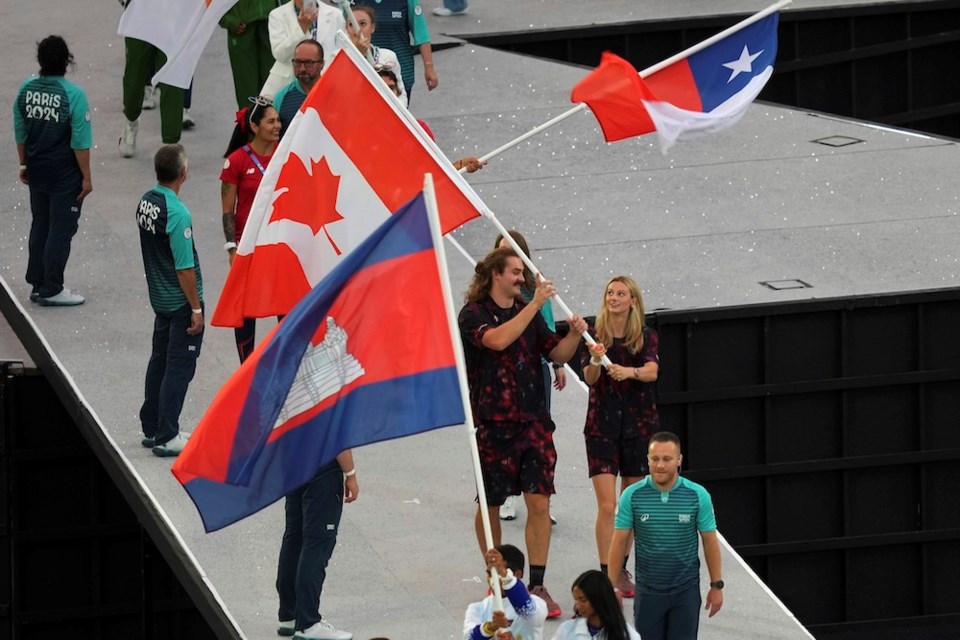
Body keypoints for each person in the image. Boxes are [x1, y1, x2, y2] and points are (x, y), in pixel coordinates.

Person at [459, 246, 588, 619]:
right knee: (490, 506)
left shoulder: (527, 314)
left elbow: (557, 354)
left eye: (523, 273)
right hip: (494, 426)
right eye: (516, 272)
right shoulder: (474, 314)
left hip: (534, 424)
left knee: (540, 502)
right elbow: (497, 341)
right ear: (496, 274)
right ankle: (497, 575)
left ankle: (537, 584)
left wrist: (575, 336)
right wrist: (534, 305)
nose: (522, 278)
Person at [583, 276, 660, 598]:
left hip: (637, 428)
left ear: (632, 301)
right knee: (607, 504)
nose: (614, 298)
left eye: (620, 294)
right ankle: (605, 573)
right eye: (610, 293)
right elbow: (589, 378)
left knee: (629, 503)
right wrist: (597, 359)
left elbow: (652, 371)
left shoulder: (645, 336)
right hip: (601, 426)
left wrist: (629, 372)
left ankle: (621, 566)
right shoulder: (595, 333)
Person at [608, 431, 724, 640]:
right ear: (648, 460)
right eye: (655, 459)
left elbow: (709, 541)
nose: (660, 465)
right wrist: (612, 587)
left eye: (667, 459)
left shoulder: (698, 495)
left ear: (679, 460)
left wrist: (716, 585)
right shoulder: (631, 495)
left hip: (685, 592)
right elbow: (618, 543)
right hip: (648, 593)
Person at [14, 35, 92, 307]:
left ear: (40, 61)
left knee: (40, 224)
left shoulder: (26, 89)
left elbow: (21, 131)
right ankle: (52, 288)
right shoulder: (74, 96)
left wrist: (24, 164)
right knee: (61, 229)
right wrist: (87, 177)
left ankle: (37, 283)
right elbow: (80, 143)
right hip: (64, 176)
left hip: (36, 170)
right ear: (67, 62)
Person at [136, 144, 204, 458]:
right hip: (179, 304)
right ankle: (167, 435)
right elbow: (184, 268)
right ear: (183, 173)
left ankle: (152, 427)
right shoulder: (178, 213)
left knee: (159, 362)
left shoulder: (145, 202)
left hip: (159, 300)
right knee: (178, 367)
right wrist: (196, 308)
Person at [494, 231, 564, 523]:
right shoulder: (489, 291)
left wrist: (556, 364)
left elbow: (547, 327)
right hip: (502, 375)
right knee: (505, 436)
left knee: (540, 435)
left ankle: (540, 500)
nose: (506, 256)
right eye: (500, 251)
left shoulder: (536, 287)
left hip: (534, 372)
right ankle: (507, 496)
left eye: (512, 251)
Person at [220, 98, 282, 362]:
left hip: (280, 242)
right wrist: (232, 248)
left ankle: (286, 361)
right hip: (248, 244)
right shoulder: (236, 162)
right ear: (255, 127)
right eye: (271, 121)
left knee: (286, 302)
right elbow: (227, 210)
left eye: (278, 120)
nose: (278, 125)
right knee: (245, 308)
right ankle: (246, 366)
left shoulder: (286, 152)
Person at [276, 450, 358, 640]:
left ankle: (289, 615)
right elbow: (338, 436)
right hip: (323, 469)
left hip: (294, 464)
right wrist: (351, 474)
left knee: (294, 539)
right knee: (317, 544)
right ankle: (308, 624)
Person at [376, 68, 484, 173]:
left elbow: (434, 172)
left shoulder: (419, 127)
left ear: (398, 92)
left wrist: (460, 165)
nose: (387, 93)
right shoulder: (362, 133)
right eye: (381, 88)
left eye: (391, 88)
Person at [119, 1, 186, 157]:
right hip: (140, 15)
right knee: (134, 79)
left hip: (174, 17)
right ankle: (131, 121)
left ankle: (171, 144)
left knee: (172, 80)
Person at [355, 0, 437, 102]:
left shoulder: (409, 1)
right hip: (364, 73)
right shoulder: (351, 2)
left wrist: (429, 67)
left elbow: (421, 34)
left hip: (401, 73)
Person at [262, 0, 343, 100]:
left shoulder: (335, 15)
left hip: (325, 83)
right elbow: (280, 54)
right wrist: (301, 28)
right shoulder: (277, 15)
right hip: (289, 84)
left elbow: (341, 52)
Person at [463, 545, 547, 640]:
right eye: (490, 573)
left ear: (517, 574)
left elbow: (527, 610)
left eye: (498, 573)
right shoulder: (477, 609)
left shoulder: (537, 604)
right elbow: (468, 638)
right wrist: (490, 627)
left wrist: (506, 578)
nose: (492, 579)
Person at [220, 0, 278, 109]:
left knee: (273, 87)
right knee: (247, 93)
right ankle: (248, 124)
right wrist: (228, 20)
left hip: (271, 25)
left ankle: (273, 124)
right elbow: (210, 4)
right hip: (242, 30)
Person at [551, 570, 641, 640]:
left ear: (599, 599)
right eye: (576, 600)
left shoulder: (628, 635)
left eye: (583, 600)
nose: (578, 606)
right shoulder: (567, 630)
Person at [348, 4, 407, 102]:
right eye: (351, 25)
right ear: (346, 29)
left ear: (372, 27)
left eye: (362, 24)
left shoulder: (388, 56)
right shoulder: (337, 57)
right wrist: (359, 54)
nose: (357, 31)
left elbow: (401, 94)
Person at [273, 39, 324, 138]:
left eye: (309, 63)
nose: (302, 69)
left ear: (321, 64)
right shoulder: (281, 98)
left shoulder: (335, 94)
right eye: (297, 62)